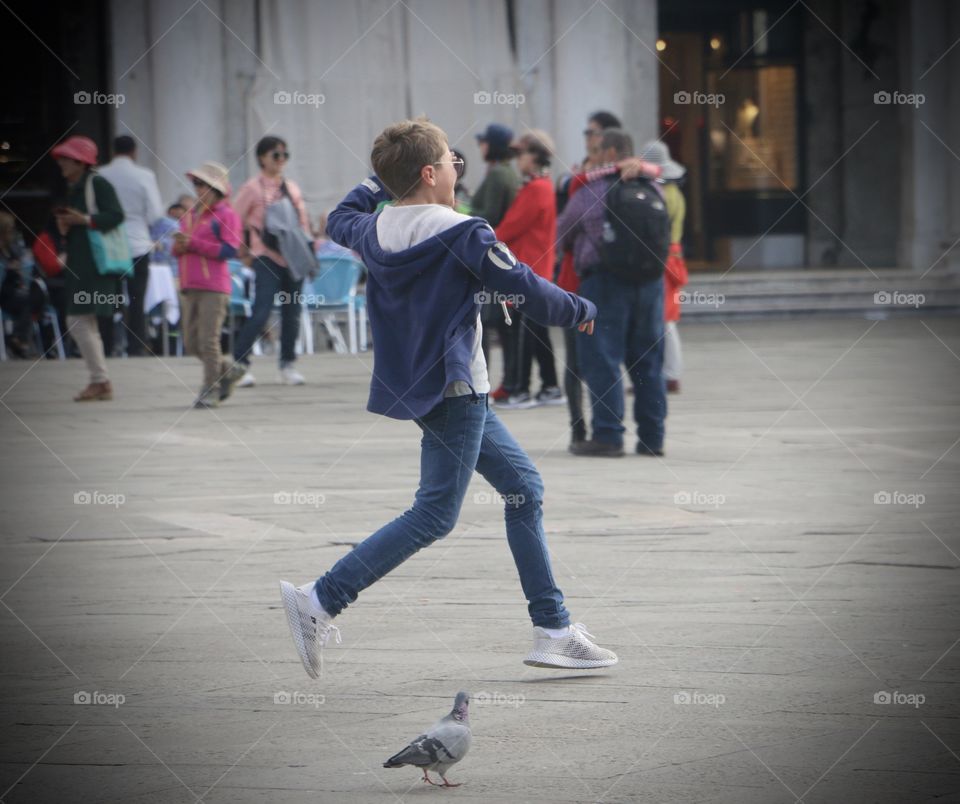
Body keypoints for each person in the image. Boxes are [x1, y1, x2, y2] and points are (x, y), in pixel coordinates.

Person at [278, 117, 618, 679]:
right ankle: (319, 599)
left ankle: (553, 628)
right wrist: (582, 309)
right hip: (458, 389)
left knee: (523, 489)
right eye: (450, 161)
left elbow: (341, 215)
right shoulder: (464, 232)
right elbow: (527, 289)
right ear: (431, 173)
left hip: (430, 385)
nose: (460, 167)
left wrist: (381, 177)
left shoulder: (374, 229)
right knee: (435, 513)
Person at [556, 129, 667, 457]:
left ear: (610, 152)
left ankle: (608, 435)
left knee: (602, 359)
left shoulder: (593, 189)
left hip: (604, 283)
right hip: (650, 283)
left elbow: (562, 232)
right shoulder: (653, 187)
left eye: (597, 150)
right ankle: (653, 437)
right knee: (648, 362)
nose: (593, 155)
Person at [231, 135, 313, 387]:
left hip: (292, 259)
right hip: (265, 257)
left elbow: (303, 224)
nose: (280, 160)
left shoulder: (292, 187)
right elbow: (234, 220)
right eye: (275, 155)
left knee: (292, 313)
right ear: (261, 158)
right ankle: (239, 365)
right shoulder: (252, 188)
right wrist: (243, 252)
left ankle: (287, 364)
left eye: (284, 155)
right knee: (261, 311)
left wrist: (309, 252)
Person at [51, 135, 125, 401]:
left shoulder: (98, 183)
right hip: (81, 264)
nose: (61, 163)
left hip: (95, 265)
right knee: (84, 322)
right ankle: (100, 380)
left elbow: (116, 216)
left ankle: (100, 380)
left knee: (78, 320)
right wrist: (67, 226)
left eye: (66, 159)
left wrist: (84, 219)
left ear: (81, 162)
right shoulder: (75, 187)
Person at [494, 130, 564, 409]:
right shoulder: (542, 186)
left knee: (525, 332)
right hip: (537, 269)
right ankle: (550, 386)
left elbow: (510, 227)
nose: (517, 160)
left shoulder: (535, 189)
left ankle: (521, 390)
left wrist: (484, 239)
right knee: (537, 332)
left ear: (534, 157)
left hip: (528, 270)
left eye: (520, 154)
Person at [174, 162, 243, 408]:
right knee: (191, 343)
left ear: (215, 188)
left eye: (202, 184)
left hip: (214, 286)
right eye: (195, 184)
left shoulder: (226, 215)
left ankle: (210, 388)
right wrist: (180, 246)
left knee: (208, 340)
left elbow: (229, 249)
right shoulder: (191, 214)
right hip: (190, 284)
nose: (197, 188)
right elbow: (182, 247)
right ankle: (228, 370)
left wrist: (192, 244)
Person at [98, 134, 165, 356]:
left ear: (112, 150)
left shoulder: (100, 174)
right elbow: (156, 214)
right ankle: (136, 346)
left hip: (109, 244)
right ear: (134, 152)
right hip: (138, 243)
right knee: (137, 299)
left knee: (108, 297)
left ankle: (107, 346)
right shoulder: (144, 175)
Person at [470, 123, 519, 401]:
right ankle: (509, 382)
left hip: (492, 255)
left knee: (488, 323)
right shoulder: (507, 172)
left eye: (484, 142)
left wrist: (463, 208)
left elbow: (488, 213)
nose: (481, 147)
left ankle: (486, 385)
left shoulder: (499, 174)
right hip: (504, 256)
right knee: (503, 325)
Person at [637, 141, 688, 394]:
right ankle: (669, 372)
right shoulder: (674, 193)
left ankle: (670, 374)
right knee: (665, 319)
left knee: (664, 320)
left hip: (663, 258)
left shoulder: (661, 194)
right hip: (672, 257)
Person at [31, 210, 72, 357]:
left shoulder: (74, 238)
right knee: (66, 301)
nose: (66, 224)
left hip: (71, 283)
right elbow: (51, 267)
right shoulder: (45, 239)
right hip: (52, 286)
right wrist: (63, 259)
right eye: (62, 220)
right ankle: (65, 343)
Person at [0, 212, 35, 358]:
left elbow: (23, 259)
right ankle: (18, 340)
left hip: (13, 289)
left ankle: (17, 339)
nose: (12, 231)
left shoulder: (13, 246)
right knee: (28, 301)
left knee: (33, 297)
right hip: (3, 291)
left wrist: (21, 264)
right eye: (9, 228)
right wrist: (7, 267)